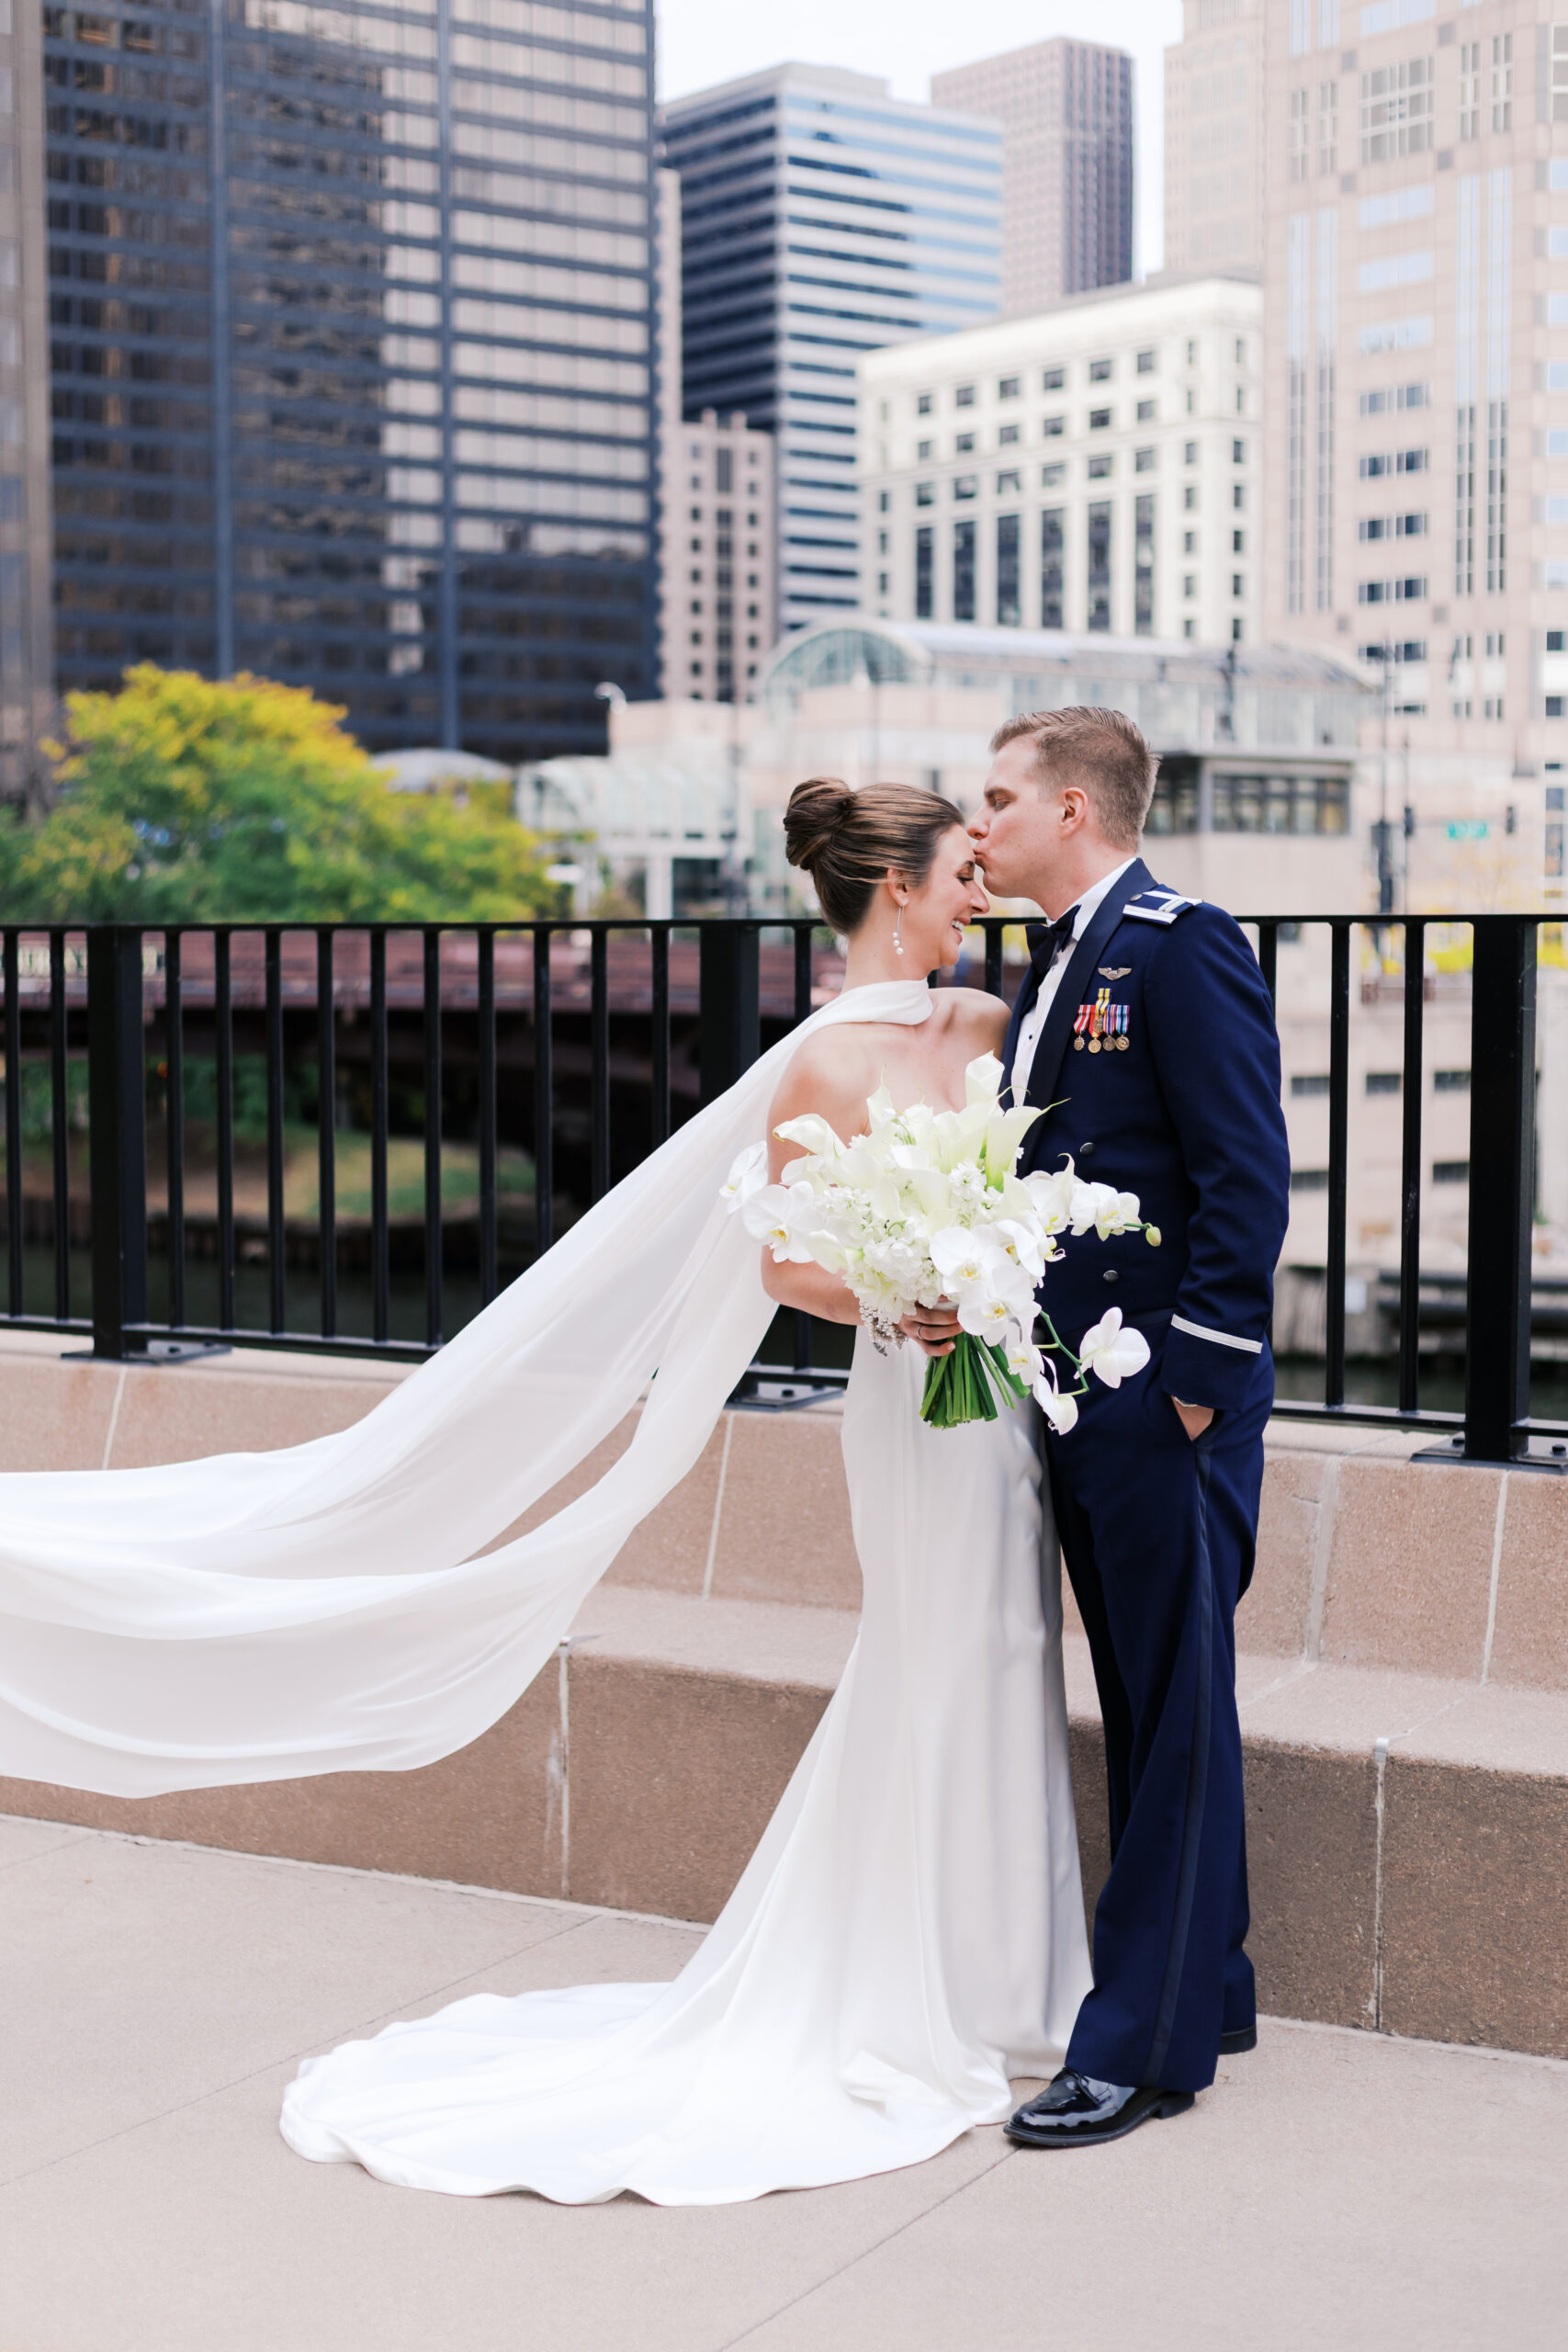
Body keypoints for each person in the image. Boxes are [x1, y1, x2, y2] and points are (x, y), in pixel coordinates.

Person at [274, 778, 1092, 2200]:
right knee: (933, 1652)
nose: (980, 895)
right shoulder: (822, 1066)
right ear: (895, 887)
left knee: (1011, 1648)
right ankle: (932, 1984)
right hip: (914, 1390)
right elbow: (789, 1265)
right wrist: (912, 1294)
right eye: (962, 872)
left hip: (1003, 1393)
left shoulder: (986, 1024)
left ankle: (1013, 1974)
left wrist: (995, 1270)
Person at [961, 705, 1291, 2150]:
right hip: (1084, 1392)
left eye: (996, 801)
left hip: (1161, 1395)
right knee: (1160, 1705)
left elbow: (1246, 1172)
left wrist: (1198, 1380)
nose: (978, 828)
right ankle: (1205, 1985)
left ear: (1075, 812)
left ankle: (1140, 2049)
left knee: (1172, 1716)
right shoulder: (1063, 958)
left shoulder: (1177, 942)